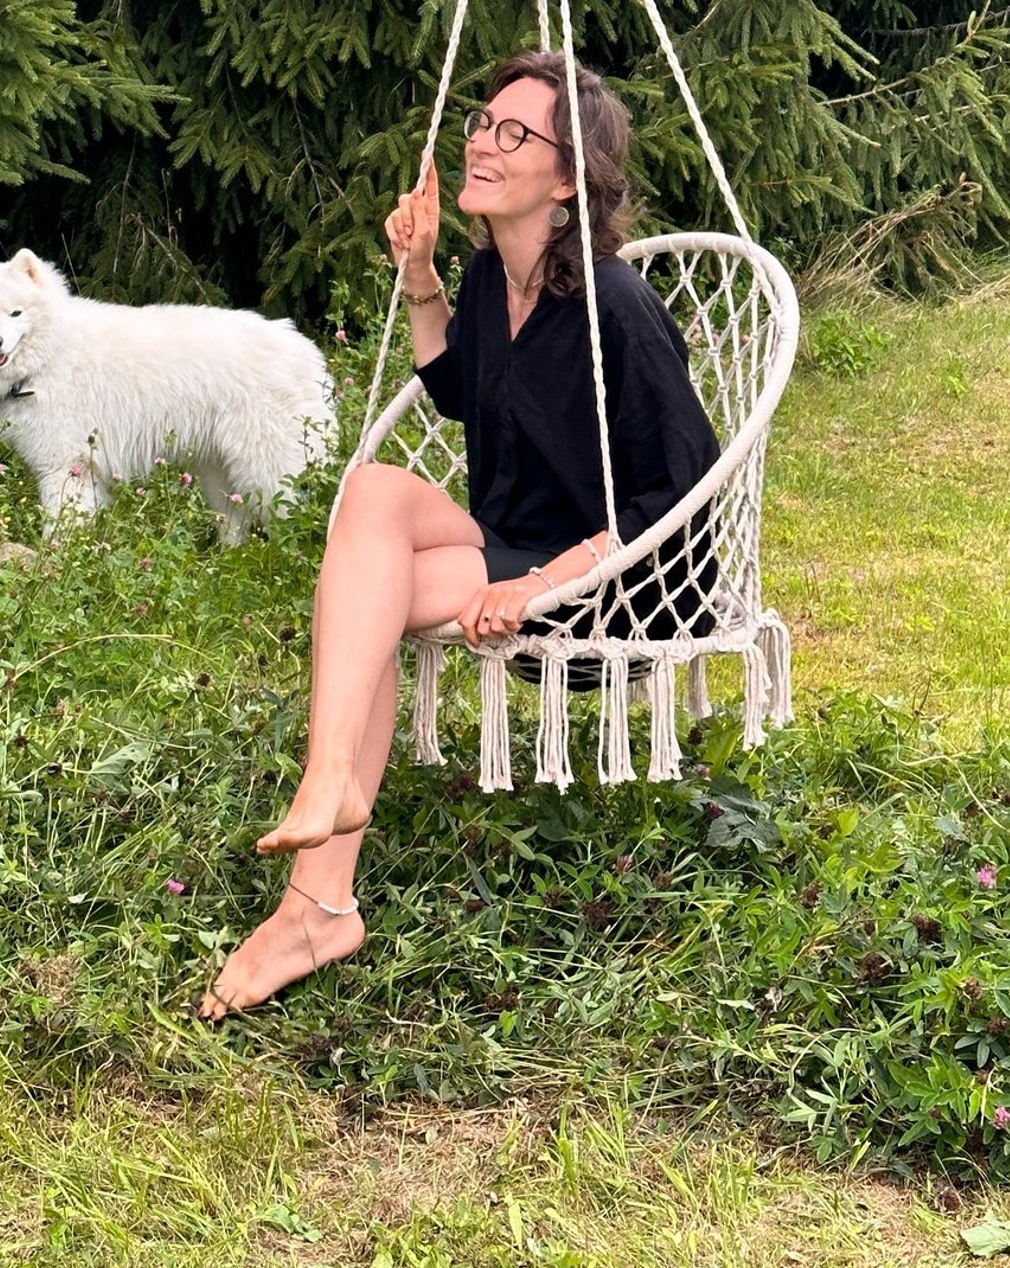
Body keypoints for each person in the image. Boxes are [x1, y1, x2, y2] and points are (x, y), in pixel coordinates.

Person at [199, 50, 720, 1021]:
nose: (483, 140)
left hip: (618, 578)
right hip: (508, 543)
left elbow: (683, 492)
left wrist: (543, 584)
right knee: (372, 499)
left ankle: (319, 883)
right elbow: (455, 390)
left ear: (566, 180)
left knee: (369, 580)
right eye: (483, 121)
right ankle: (323, 854)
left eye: (516, 132)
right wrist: (421, 273)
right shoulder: (491, 278)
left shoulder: (616, 306)